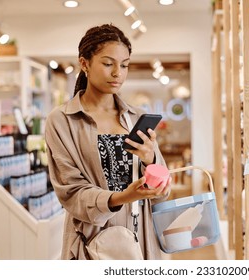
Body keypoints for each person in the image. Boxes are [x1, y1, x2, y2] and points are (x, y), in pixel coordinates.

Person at [45, 23, 171, 260]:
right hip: (90, 240)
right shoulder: (61, 121)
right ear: (84, 64)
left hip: (139, 237)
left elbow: (162, 192)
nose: (117, 73)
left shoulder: (135, 117)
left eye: (124, 65)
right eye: (108, 63)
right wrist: (124, 197)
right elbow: (71, 193)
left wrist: (150, 160)